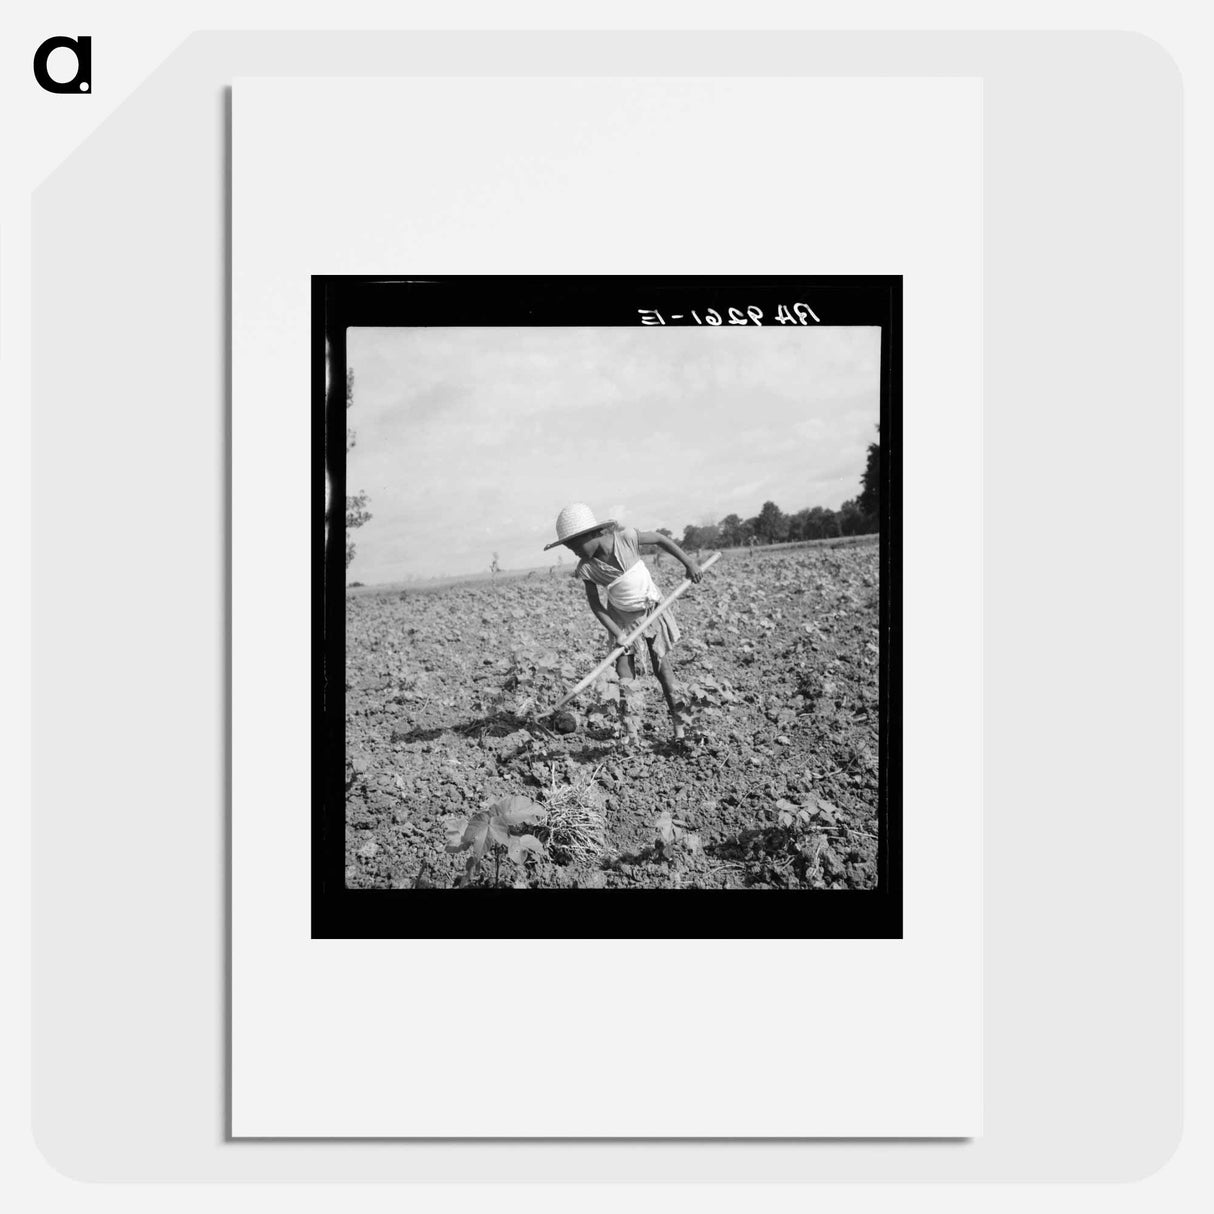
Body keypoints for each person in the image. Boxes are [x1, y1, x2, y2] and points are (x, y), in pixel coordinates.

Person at [544, 503, 702, 744]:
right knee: (624, 675)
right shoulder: (586, 568)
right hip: (620, 620)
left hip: (650, 611)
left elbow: (660, 539)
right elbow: (596, 605)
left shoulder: (626, 539)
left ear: (592, 534)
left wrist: (688, 563)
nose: (574, 551)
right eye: (569, 547)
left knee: (663, 670)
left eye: (575, 545)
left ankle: (679, 727)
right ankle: (630, 733)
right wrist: (617, 633)